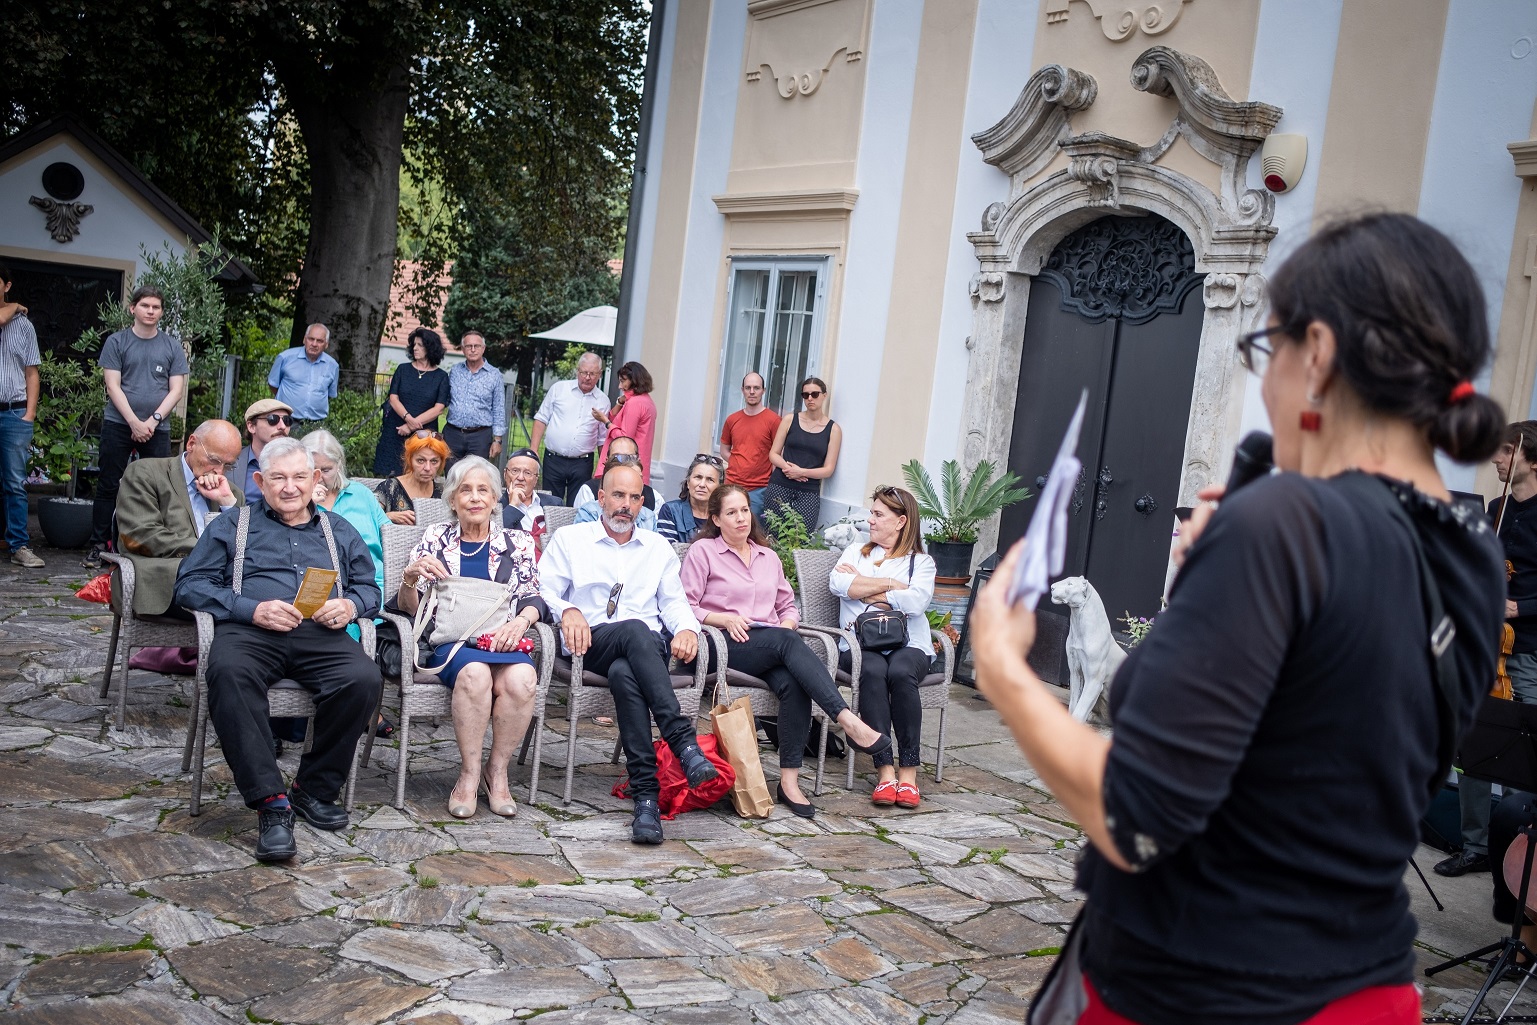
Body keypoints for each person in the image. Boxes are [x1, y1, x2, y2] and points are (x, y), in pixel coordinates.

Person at [967, 212, 1506, 1025]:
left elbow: (1134, 819)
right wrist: (1214, 584)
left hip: (1205, 990)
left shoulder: (1285, 522)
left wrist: (1004, 672)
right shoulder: (1471, 549)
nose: (1264, 384)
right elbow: (1347, 761)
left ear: (1317, 354)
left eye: (1266, 351)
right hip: (1364, 986)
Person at [173, 437, 383, 862]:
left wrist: (349, 605)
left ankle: (313, 788)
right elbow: (189, 586)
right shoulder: (233, 525)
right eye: (278, 478)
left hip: (317, 633)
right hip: (250, 630)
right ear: (259, 481)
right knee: (229, 673)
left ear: (316, 480)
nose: (290, 487)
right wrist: (251, 609)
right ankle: (271, 805)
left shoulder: (338, 529)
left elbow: (369, 588)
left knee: (363, 679)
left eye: (300, 477)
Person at [680, 484, 890, 817]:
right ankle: (847, 719)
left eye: (745, 511)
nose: (740, 519)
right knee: (786, 643)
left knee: (794, 682)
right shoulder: (703, 552)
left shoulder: (768, 557)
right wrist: (723, 618)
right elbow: (685, 606)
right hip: (722, 642)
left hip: (770, 645)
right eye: (731, 513)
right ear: (717, 519)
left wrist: (788, 625)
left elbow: (787, 607)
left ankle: (789, 782)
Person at [539, 462, 718, 844]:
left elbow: (674, 601)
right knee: (633, 631)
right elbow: (545, 589)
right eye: (618, 495)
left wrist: (686, 628)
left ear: (642, 504)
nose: (626, 505)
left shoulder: (657, 548)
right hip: (590, 643)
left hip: (644, 649)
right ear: (601, 498)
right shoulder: (571, 539)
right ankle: (682, 742)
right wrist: (567, 610)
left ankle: (646, 801)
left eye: (634, 498)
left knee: (626, 670)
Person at [398, 456, 544, 819]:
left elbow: (533, 595)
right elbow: (408, 607)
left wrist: (522, 623)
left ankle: (497, 773)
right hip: (454, 643)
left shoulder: (518, 542)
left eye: (484, 490)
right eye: (466, 490)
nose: (475, 498)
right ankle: (468, 774)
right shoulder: (436, 538)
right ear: (452, 500)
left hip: (502, 640)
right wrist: (410, 577)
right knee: (475, 674)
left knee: (524, 678)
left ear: (496, 499)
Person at [1438, 421, 1537, 879]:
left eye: (1504, 453)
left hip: (1528, 649)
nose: (1496, 459)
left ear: (1531, 460)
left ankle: (1525, 859)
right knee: (1474, 746)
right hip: (1484, 645)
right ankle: (1475, 846)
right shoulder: (1495, 509)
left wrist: (1523, 606)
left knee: (1530, 751)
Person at [829, 486, 937, 808]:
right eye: (871, 513)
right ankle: (885, 771)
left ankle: (909, 775)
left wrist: (862, 588)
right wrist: (892, 586)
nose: (870, 520)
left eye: (878, 515)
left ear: (901, 521)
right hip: (858, 643)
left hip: (910, 644)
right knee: (873, 672)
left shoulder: (922, 562)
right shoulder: (855, 552)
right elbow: (839, 584)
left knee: (902, 673)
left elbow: (916, 602)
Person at [86, 285, 190, 568]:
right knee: (108, 485)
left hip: (157, 428)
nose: (151, 311)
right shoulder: (117, 342)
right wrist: (133, 421)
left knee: (160, 488)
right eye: (145, 306)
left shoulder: (171, 346)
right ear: (133, 308)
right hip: (119, 423)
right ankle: (99, 545)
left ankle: (157, 547)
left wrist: (152, 421)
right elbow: (112, 385)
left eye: (156, 307)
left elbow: (176, 390)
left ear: (161, 312)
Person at [305, 429, 396, 740]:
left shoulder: (360, 494)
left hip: (372, 583)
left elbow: (390, 536)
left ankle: (356, 705)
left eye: (326, 470)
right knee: (335, 622)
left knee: (361, 616)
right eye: (311, 471)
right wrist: (312, 507)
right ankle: (354, 707)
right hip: (322, 586)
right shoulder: (298, 501)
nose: (319, 477)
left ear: (339, 465)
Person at [114, 420, 244, 617]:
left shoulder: (230, 493)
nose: (219, 471)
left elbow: (248, 547)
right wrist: (208, 550)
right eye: (215, 460)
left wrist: (227, 504)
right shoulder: (147, 473)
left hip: (220, 580)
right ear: (191, 443)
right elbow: (140, 535)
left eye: (228, 465)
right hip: (166, 577)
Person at [0, 264, 42, 568]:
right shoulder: (12, 313)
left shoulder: (24, 327)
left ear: (7, 285)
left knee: (14, 483)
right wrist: (12, 306)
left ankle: (18, 545)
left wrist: (30, 413)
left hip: (13, 413)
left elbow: (31, 372)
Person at [531, 351, 610, 505]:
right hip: (554, 458)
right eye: (584, 372)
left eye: (592, 374)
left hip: (582, 463)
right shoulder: (559, 389)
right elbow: (541, 419)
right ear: (577, 371)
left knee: (578, 505)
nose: (587, 377)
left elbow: (602, 439)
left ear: (599, 374)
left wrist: (602, 468)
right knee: (549, 504)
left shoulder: (603, 401)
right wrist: (533, 450)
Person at [763, 376, 840, 533]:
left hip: (809, 491)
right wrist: (788, 469)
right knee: (772, 534)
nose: (810, 398)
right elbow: (773, 454)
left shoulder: (833, 429)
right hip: (780, 485)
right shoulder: (790, 420)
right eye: (805, 395)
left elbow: (828, 469)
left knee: (801, 536)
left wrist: (802, 472)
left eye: (815, 394)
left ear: (824, 395)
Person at [374, 327, 451, 476]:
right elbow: (393, 398)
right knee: (391, 473)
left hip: (424, 433)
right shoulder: (403, 370)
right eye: (414, 344)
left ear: (430, 348)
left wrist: (411, 427)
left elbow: (439, 408)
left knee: (421, 471)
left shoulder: (441, 376)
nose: (415, 348)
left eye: (420, 345)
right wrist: (408, 419)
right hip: (396, 429)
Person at [719, 371, 779, 518]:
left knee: (752, 531)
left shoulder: (774, 420)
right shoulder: (732, 419)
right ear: (742, 390)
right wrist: (738, 463)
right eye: (748, 388)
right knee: (727, 526)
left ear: (763, 391)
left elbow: (778, 455)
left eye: (756, 388)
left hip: (759, 489)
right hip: (731, 485)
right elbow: (724, 450)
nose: (752, 392)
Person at [443, 331, 504, 465]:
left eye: (476, 346)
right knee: (451, 476)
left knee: (475, 476)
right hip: (453, 434)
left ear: (483, 348)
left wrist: (497, 440)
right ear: (463, 349)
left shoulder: (494, 375)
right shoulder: (455, 371)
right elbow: (444, 399)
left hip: (480, 436)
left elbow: (498, 409)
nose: (472, 349)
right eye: (468, 346)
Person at [267, 324, 338, 433]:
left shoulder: (332, 366)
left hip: (317, 424)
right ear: (304, 340)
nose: (314, 344)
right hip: (287, 420)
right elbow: (273, 385)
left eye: (319, 341)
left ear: (326, 344)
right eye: (311, 339)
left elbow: (329, 395)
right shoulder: (285, 358)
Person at [594, 361, 657, 483]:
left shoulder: (635, 403)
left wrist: (606, 422)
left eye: (623, 381)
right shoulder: (647, 401)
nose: (619, 386)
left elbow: (625, 438)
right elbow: (615, 419)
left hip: (626, 467)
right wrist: (619, 402)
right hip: (637, 464)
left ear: (635, 380)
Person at [375, 432, 448, 526]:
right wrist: (389, 516)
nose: (427, 468)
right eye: (420, 461)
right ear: (410, 460)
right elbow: (365, 517)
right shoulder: (389, 488)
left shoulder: (444, 491)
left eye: (434, 461)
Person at [231, 399, 294, 505]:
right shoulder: (230, 462)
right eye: (273, 419)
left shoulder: (299, 462)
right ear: (251, 426)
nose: (282, 426)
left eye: (287, 420)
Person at [571, 437, 659, 510]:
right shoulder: (589, 490)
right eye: (616, 458)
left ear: (638, 461)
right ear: (607, 461)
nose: (622, 463)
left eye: (628, 458)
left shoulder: (654, 497)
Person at [657, 454, 723, 543]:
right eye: (698, 477)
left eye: (710, 480)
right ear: (688, 482)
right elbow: (668, 552)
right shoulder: (671, 511)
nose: (702, 484)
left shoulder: (724, 515)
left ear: (719, 487)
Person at [501, 448, 548, 534]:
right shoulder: (494, 504)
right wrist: (513, 506)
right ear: (505, 474)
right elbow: (495, 535)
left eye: (527, 473)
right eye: (515, 471)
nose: (520, 478)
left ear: (536, 479)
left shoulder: (554, 503)